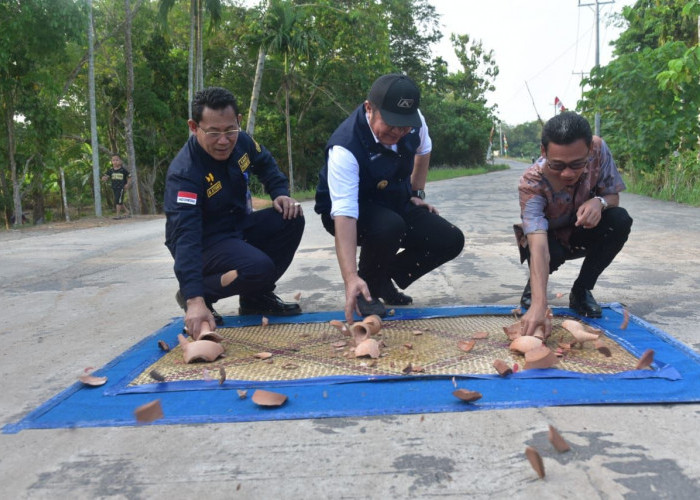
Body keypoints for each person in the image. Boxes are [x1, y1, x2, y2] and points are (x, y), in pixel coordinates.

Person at [315, 73, 465, 323]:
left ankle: (383, 276)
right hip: (352, 212)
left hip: (394, 201)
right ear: (369, 109)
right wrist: (350, 277)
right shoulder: (345, 147)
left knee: (450, 239)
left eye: (404, 125)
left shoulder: (415, 124)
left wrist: (417, 193)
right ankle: (366, 289)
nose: (398, 131)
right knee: (388, 225)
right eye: (391, 123)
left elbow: (424, 150)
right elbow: (345, 214)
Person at [164, 86, 304, 339]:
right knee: (258, 268)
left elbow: (266, 164)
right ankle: (197, 294)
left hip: (237, 227)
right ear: (194, 127)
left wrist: (280, 193)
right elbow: (186, 238)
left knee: (291, 216)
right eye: (213, 132)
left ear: (238, 122)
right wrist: (195, 299)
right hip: (205, 242)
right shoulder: (185, 174)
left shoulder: (242, 141)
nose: (223, 140)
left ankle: (255, 298)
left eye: (230, 130)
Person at [515, 111, 633, 337]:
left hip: (582, 230)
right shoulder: (531, 182)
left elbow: (613, 197)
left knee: (619, 219)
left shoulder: (599, 149)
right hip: (549, 239)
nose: (567, 173)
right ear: (543, 152)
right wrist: (540, 303)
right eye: (558, 165)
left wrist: (598, 202)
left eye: (577, 164)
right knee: (549, 251)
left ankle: (581, 291)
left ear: (589, 150)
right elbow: (538, 242)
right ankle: (535, 290)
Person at [102, 154, 131, 219]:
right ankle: (127, 211)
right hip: (114, 187)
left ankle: (117, 215)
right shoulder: (111, 170)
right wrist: (104, 178)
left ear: (120, 161)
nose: (115, 161)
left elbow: (129, 176)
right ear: (111, 162)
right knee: (119, 200)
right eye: (113, 160)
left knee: (118, 201)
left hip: (121, 188)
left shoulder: (123, 170)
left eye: (117, 160)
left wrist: (127, 184)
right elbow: (106, 176)